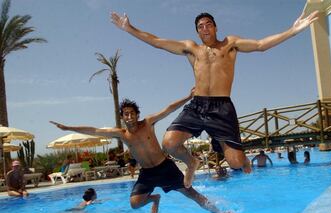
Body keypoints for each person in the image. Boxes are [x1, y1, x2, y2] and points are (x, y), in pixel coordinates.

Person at [110, 10, 319, 187]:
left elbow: (261, 44)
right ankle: (192, 163)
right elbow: (157, 42)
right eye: (200, 27)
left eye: (208, 25)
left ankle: (243, 160)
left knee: (235, 163)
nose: (205, 29)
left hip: (222, 108)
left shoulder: (230, 44)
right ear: (197, 32)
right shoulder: (191, 49)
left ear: (216, 27)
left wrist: (293, 31)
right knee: (169, 143)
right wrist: (130, 28)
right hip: (198, 105)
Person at [50, 89, 231, 213]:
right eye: (125, 114)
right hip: (147, 174)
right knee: (134, 204)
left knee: (192, 194)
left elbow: (168, 109)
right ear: (122, 117)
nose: (129, 117)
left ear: (137, 114)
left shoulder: (148, 123)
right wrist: (68, 127)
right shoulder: (121, 134)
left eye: (131, 113)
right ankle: (155, 198)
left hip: (164, 168)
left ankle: (220, 211)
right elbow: (94, 130)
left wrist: (188, 97)